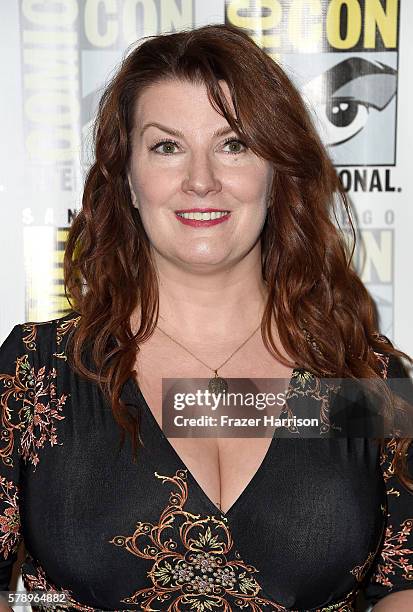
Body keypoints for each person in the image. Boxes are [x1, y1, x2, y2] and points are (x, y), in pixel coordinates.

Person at [0, 22, 412, 612]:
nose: (201, 181)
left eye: (233, 144)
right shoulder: (37, 374)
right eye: (167, 146)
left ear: (277, 171)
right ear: (128, 180)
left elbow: (405, 584)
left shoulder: (361, 381)